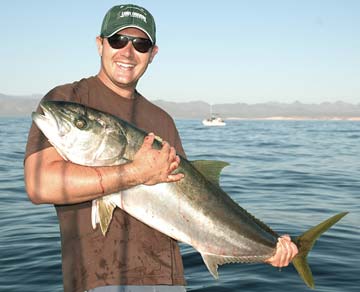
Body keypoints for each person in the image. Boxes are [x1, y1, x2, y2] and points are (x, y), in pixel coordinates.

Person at [24, 4, 298, 292]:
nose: (128, 52)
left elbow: (198, 208)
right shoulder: (70, 98)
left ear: (152, 54)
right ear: (100, 44)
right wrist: (134, 172)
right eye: (118, 40)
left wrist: (266, 249)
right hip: (100, 280)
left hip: (170, 281)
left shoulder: (161, 120)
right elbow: (40, 184)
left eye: (140, 44)